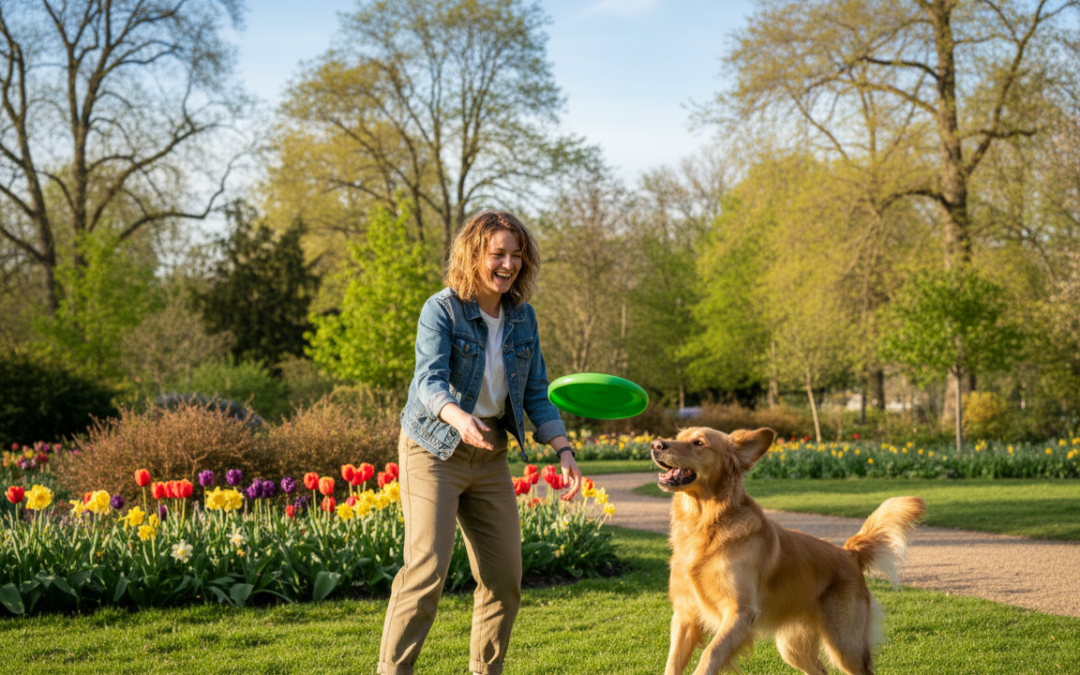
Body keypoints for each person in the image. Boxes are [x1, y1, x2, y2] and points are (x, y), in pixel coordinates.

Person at [379, 210, 582, 675]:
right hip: (433, 448)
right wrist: (457, 416)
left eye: (517, 255)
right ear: (474, 255)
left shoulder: (523, 318)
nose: (508, 264)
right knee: (426, 571)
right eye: (498, 254)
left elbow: (537, 393)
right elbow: (429, 381)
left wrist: (564, 450)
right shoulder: (442, 310)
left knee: (504, 577)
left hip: (489, 454)